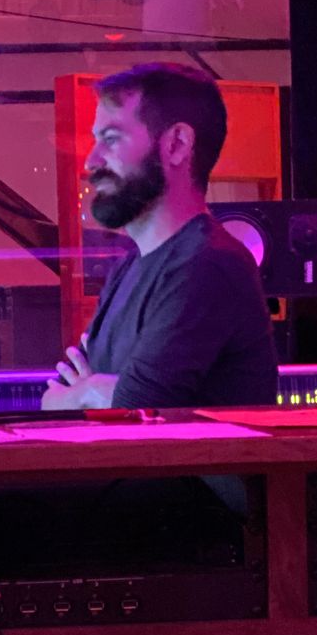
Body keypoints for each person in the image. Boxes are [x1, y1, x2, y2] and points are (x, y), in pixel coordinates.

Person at [42, 63, 278, 410]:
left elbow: (140, 405)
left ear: (176, 145)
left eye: (111, 139)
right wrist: (93, 391)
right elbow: (51, 400)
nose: (91, 161)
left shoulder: (208, 265)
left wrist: (86, 390)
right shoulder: (130, 267)